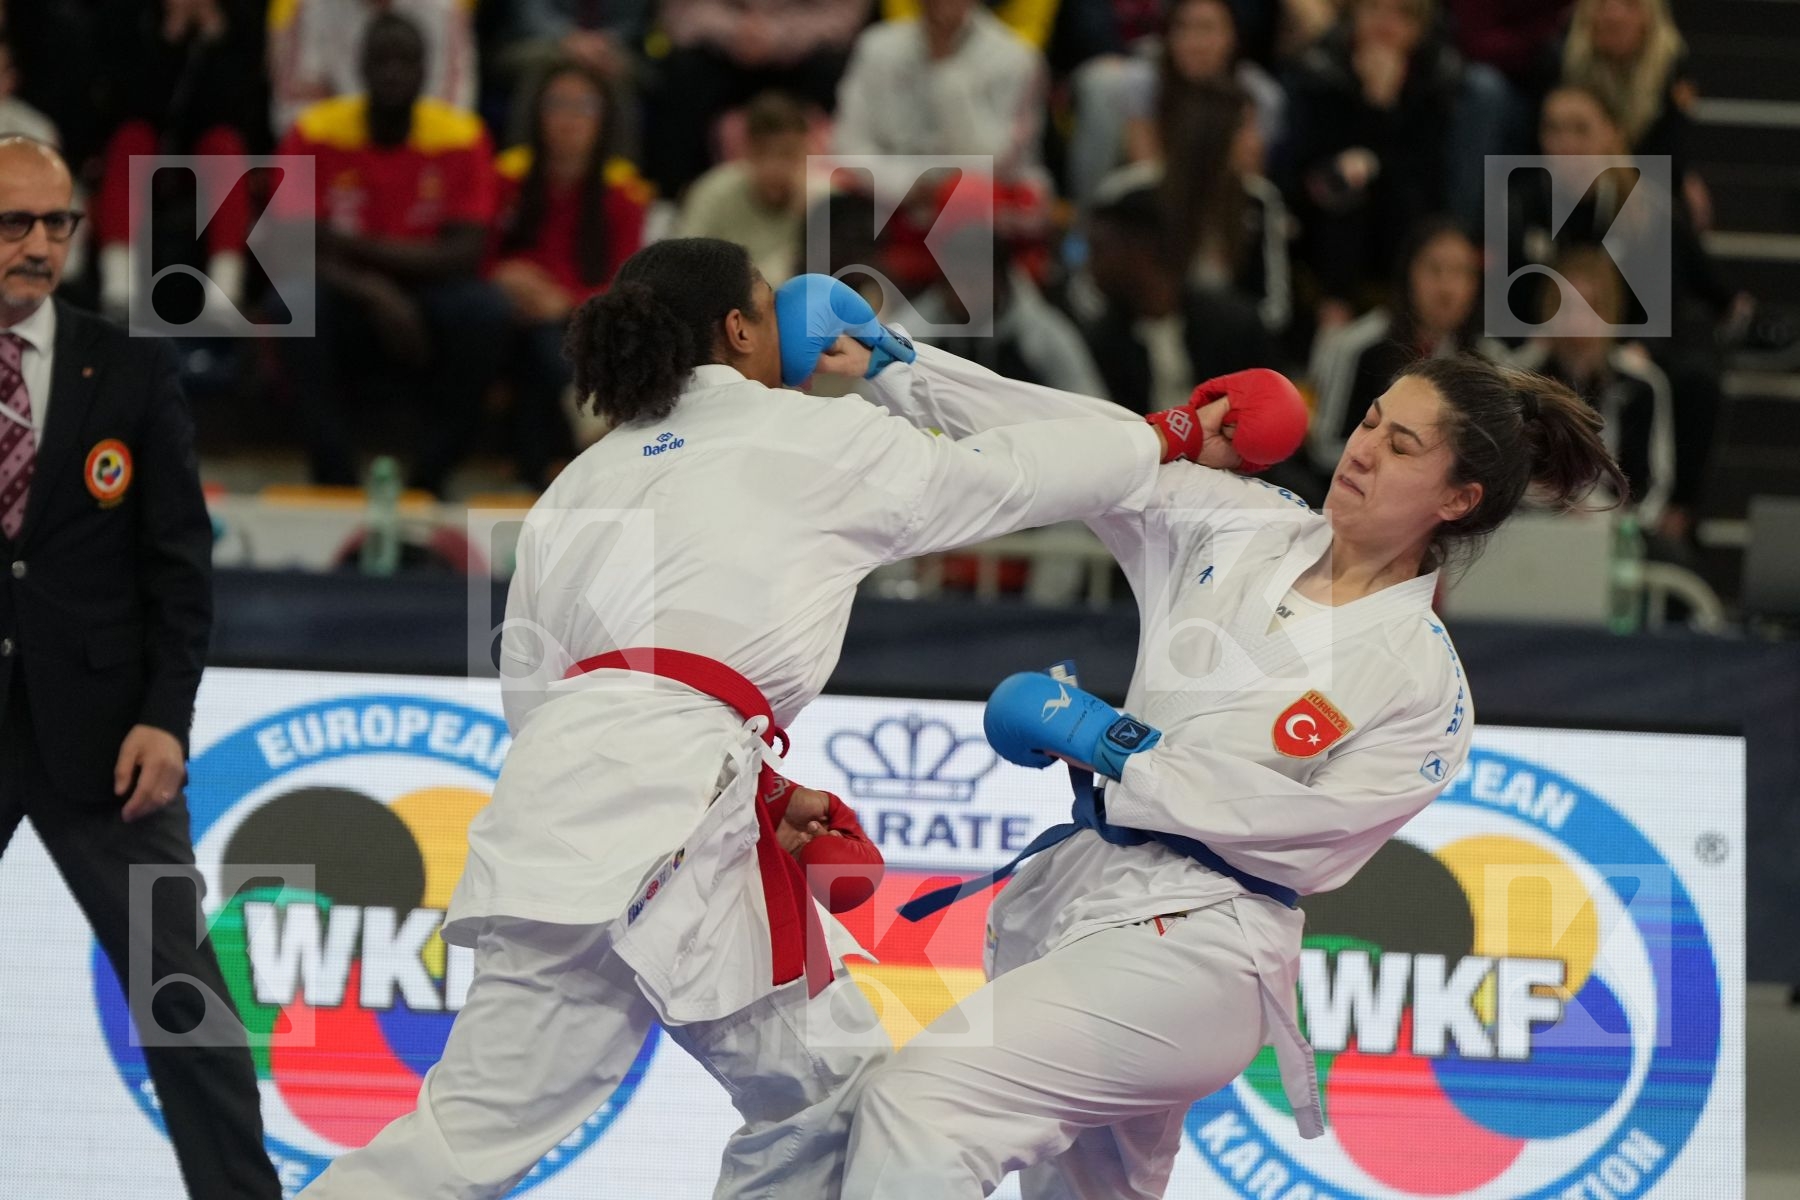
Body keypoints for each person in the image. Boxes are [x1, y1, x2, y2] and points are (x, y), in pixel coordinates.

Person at [299, 241, 1218, 1198]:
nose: (787, 321)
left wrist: (763, 788)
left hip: (565, 813)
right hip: (673, 816)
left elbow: (544, 699)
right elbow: (1011, 476)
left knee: (504, 1132)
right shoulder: (807, 437)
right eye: (769, 305)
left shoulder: (577, 483)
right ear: (739, 331)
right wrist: (1171, 435)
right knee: (825, 1098)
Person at [835, 341, 1629, 1199]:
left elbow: (1307, 837)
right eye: (1369, 421)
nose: (1362, 449)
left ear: (1457, 498)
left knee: (921, 1105)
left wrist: (1122, 747)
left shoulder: (1424, 684)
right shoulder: (1242, 522)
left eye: (1402, 446)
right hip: (1084, 897)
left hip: (1207, 946)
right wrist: (897, 361)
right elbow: (1085, 447)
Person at [0, 136, 280, 1199]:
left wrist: (168, 717)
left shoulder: (127, 365)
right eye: (13, 224)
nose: (38, 245)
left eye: (57, 223)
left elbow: (179, 559)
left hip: (114, 739)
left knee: (187, 1005)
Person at [273, 12, 510, 494]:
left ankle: (430, 478)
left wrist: (349, 246)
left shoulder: (462, 136)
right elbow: (290, 247)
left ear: (426, 72)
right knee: (289, 302)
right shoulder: (313, 131)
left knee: (487, 313)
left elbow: (464, 253)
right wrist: (377, 292)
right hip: (345, 294)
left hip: (431, 295)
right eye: (380, 60)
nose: (392, 71)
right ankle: (335, 479)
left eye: (406, 61)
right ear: (359, 67)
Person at [490, 59, 649, 490]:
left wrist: (565, 301)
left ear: (605, 119)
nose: (569, 119)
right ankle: (589, 429)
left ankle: (536, 472)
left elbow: (626, 281)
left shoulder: (625, 190)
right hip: (506, 313)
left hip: (574, 317)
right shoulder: (506, 175)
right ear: (536, 114)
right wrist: (504, 276)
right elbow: (473, 256)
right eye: (558, 105)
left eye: (584, 106)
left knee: (552, 340)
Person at [1307, 216, 1502, 485]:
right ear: (1408, 273)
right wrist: (1403, 465)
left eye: (1461, 272)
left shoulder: (1489, 360)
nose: (1447, 288)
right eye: (1435, 270)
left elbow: (1498, 458)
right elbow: (1322, 447)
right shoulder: (1356, 345)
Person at [1101, 76, 1294, 336]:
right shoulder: (1129, 193)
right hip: (1136, 342)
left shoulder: (1259, 198)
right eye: (1244, 128)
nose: (1257, 141)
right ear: (1210, 133)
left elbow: (1273, 308)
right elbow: (1092, 296)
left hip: (1225, 348)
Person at [1063, 185, 1277, 416]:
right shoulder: (1100, 344)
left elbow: (1273, 417)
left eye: (1099, 250)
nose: (1091, 267)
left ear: (1140, 248)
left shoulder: (1234, 326)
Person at [648, 0, 870, 198]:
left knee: (835, 69)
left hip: (803, 52)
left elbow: (842, 16)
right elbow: (680, 12)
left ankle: (837, 197)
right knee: (682, 72)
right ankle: (678, 197)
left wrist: (776, 35)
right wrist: (736, 32)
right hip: (721, 48)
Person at [833, 0, 1048, 183]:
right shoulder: (877, 47)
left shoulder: (1015, 59)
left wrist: (945, 68)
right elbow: (848, 145)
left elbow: (996, 164)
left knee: (970, 194)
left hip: (981, 201)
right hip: (891, 192)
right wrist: (906, 185)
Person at [268, 0, 477, 136]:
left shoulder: (444, 9)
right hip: (336, 154)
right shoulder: (307, 8)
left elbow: (455, 112)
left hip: (421, 156)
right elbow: (291, 118)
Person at [675, 90, 818, 286]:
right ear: (746, 150)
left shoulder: (823, 199)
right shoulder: (712, 193)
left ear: (806, 149)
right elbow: (684, 266)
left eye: (787, 154)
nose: (774, 167)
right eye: (762, 153)